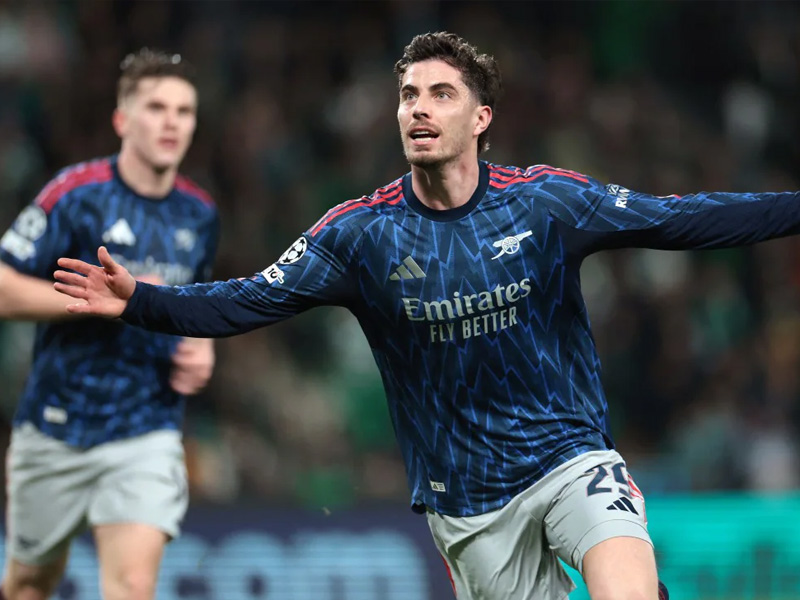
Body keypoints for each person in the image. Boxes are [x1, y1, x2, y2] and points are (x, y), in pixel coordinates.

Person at [56, 29, 800, 600]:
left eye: (440, 94)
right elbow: (247, 299)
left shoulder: (544, 202)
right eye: (409, 93)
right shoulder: (358, 235)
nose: (418, 107)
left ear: (481, 117)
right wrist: (141, 301)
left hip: (570, 458)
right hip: (469, 505)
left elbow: (678, 219)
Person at [0, 48, 219, 600]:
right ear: (123, 120)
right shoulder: (75, 195)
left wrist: (200, 346)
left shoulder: (200, 215)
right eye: (157, 107)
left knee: (132, 586)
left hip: (145, 429)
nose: (172, 122)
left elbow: (186, 307)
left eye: (184, 110)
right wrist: (88, 298)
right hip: (56, 424)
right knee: (28, 584)